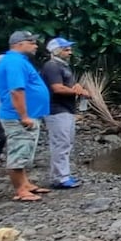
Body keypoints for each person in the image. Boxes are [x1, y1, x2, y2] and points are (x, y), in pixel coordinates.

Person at [0, 31, 51, 202]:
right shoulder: (14, 62)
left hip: (28, 114)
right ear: (19, 44)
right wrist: (24, 116)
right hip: (18, 116)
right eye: (31, 42)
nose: (35, 45)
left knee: (25, 150)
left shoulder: (19, 61)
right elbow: (16, 90)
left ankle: (25, 184)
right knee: (19, 150)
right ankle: (20, 190)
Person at [40, 37, 90, 189]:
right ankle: (60, 178)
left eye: (69, 49)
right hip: (56, 109)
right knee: (60, 143)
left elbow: (71, 85)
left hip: (67, 109)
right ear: (56, 51)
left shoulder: (64, 67)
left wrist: (81, 90)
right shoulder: (52, 66)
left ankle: (63, 174)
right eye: (66, 49)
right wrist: (75, 91)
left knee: (67, 142)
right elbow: (58, 88)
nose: (70, 52)